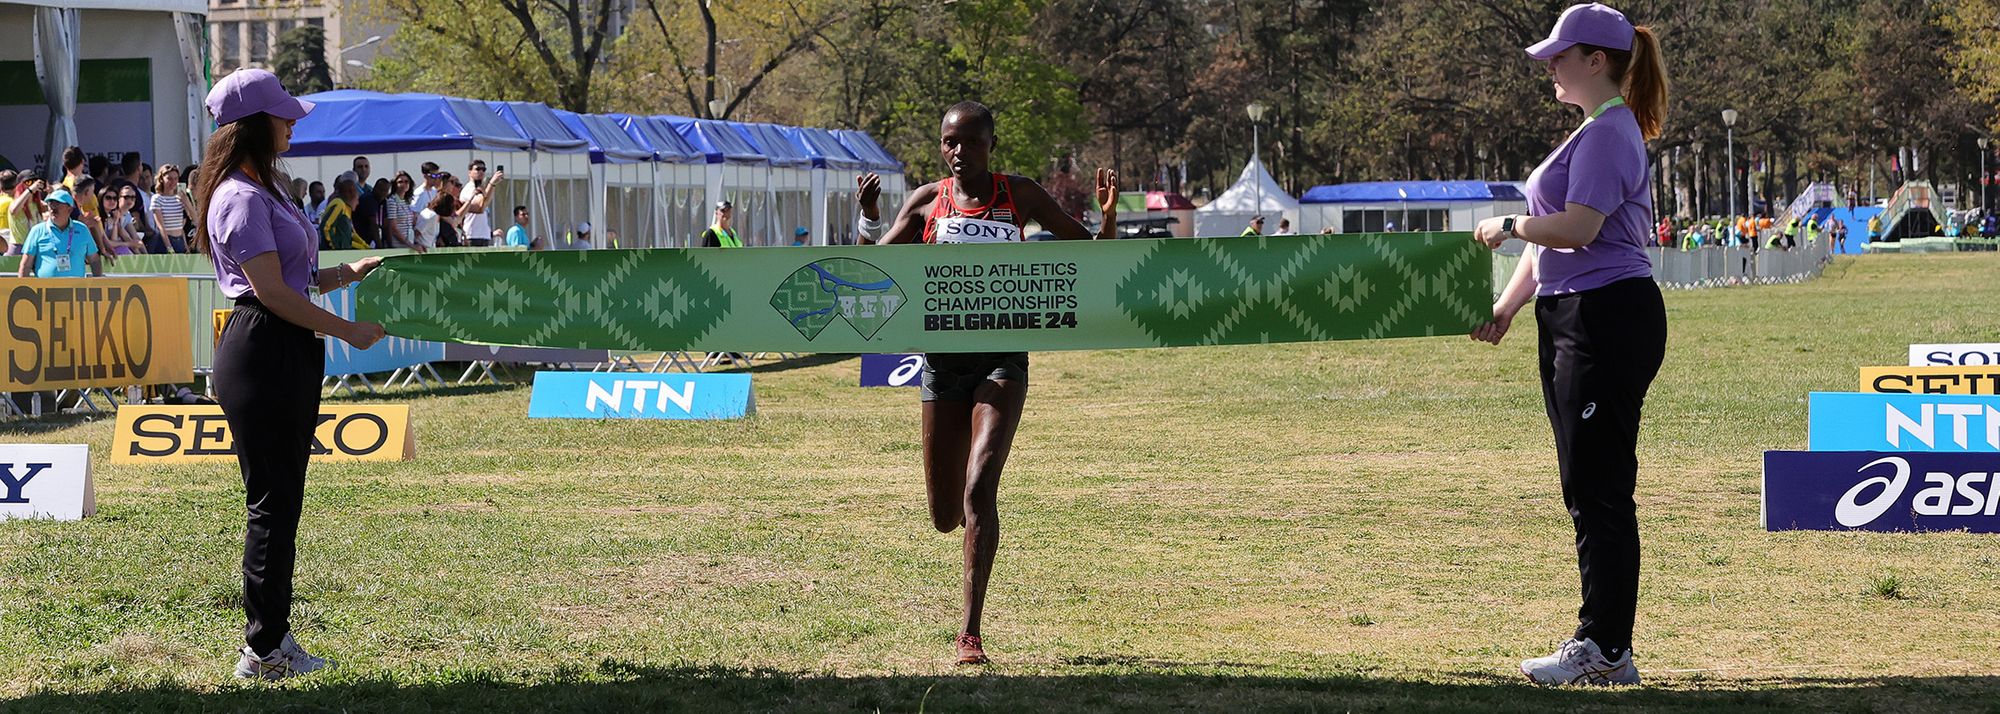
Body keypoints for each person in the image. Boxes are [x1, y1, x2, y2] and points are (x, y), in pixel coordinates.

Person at [864, 100, 1117, 665]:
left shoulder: (1018, 194)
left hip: (1002, 361)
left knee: (980, 486)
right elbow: (870, 273)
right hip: (942, 363)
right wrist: (869, 219)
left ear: (991, 145)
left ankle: (970, 633)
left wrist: (1106, 219)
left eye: (971, 141)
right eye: (950, 141)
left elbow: (1089, 255)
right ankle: (963, 529)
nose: (959, 151)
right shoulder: (926, 201)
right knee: (944, 515)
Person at [1470, 2, 1667, 687]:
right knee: (1586, 483)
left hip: (1606, 317)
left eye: (1560, 55)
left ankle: (1606, 649)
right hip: (1576, 316)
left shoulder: (1609, 133)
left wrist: (1509, 224)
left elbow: (1577, 228)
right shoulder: (1592, 130)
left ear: (1597, 61)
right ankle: (1604, 644)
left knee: (1599, 487)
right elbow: (1555, 239)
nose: (1550, 66)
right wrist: (1507, 306)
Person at [195, 69, 387, 680]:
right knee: (272, 506)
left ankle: (271, 639)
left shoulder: (265, 189)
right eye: (283, 115)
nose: (292, 123)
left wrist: (347, 273)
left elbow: (295, 278)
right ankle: (263, 650)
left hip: (283, 347)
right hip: (264, 348)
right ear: (254, 124)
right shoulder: (240, 197)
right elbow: (272, 292)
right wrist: (346, 329)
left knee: (282, 503)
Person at [16, 188, 102, 277]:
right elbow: (26, 264)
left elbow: (94, 260)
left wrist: (98, 282)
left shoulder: (82, 229)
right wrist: (23, 285)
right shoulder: (37, 230)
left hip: (76, 285)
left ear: (69, 209)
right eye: (50, 204)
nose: (53, 208)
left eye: (58, 204)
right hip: (45, 286)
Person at [458, 160, 503, 247]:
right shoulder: (468, 189)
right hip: (472, 236)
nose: (481, 172)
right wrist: (491, 184)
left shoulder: (481, 189)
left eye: (483, 169)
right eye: (478, 169)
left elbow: (485, 203)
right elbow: (479, 208)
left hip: (484, 236)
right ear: (469, 172)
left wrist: (492, 185)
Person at [151, 165, 192, 254]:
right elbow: (161, 226)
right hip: (164, 241)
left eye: (175, 178)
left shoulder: (180, 198)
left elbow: (189, 221)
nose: (173, 182)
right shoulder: (157, 198)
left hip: (179, 240)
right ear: (162, 179)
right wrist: (169, 247)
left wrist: (187, 202)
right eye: (169, 179)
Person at [319, 173, 363, 251]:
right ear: (350, 194)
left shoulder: (347, 209)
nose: (358, 203)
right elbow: (326, 226)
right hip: (332, 253)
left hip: (343, 253)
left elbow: (352, 235)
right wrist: (334, 246)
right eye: (357, 199)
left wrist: (365, 247)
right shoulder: (339, 204)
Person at [384, 171, 422, 252]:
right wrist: (410, 245)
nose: (404, 184)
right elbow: (393, 228)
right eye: (400, 182)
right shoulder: (392, 201)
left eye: (406, 182)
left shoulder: (406, 202)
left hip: (408, 243)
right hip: (398, 246)